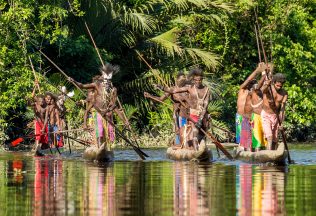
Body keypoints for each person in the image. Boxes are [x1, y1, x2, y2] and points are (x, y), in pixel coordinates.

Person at [69, 63, 127, 147]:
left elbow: (113, 106)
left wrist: (125, 121)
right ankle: (99, 148)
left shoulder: (113, 90)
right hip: (98, 113)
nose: (106, 80)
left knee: (109, 134)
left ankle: (106, 149)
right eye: (105, 76)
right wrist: (73, 81)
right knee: (99, 132)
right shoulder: (97, 85)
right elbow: (82, 86)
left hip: (107, 115)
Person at [155, 68, 210, 151]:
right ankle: (195, 153)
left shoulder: (207, 90)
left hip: (203, 115)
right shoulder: (190, 88)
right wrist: (162, 87)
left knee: (202, 135)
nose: (197, 82)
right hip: (193, 115)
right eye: (195, 80)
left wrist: (201, 119)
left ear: (202, 79)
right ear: (193, 80)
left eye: (199, 80)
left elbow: (205, 105)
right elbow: (173, 90)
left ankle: (202, 149)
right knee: (194, 133)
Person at [144, 72, 189, 148]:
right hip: (178, 115)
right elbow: (161, 99)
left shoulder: (188, 89)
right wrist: (150, 96)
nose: (183, 82)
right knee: (179, 132)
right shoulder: (172, 89)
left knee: (189, 132)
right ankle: (178, 146)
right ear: (177, 80)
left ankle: (190, 146)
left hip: (188, 115)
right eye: (181, 80)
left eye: (184, 80)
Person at [237, 62, 267, 151]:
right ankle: (243, 150)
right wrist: (257, 70)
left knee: (253, 138)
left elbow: (263, 84)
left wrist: (265, 73)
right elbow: (248, 80)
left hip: (252, 118)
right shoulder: (242, 90)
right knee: (243, 141)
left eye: (253, 83)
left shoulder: (256, 93)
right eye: (250, 83)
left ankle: (256, 150)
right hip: (241, 117)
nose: (251, 85)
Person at [261, 73, 288, 150]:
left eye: (281, 85)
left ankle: (273, 154)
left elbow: (282, 109)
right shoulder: (269, 88)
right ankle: (268, 155)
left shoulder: (284, 93)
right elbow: (262, 90)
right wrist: (266, 84)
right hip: (266, 115)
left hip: (276, 117)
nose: (279, 86)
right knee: (269, 137)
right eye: (278, 85)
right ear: (274, 82)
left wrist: (281, 122)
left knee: (274, 140)